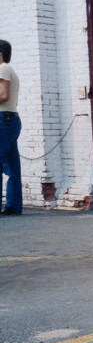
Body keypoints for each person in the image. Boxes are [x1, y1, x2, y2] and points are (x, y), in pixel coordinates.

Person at [0, 39, 22, 215]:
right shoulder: (9, 69)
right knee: (13, 166)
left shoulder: (3, 69)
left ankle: (12, 206)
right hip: (11, 119)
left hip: (3, 119)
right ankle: (13, 207)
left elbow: (4, 95)